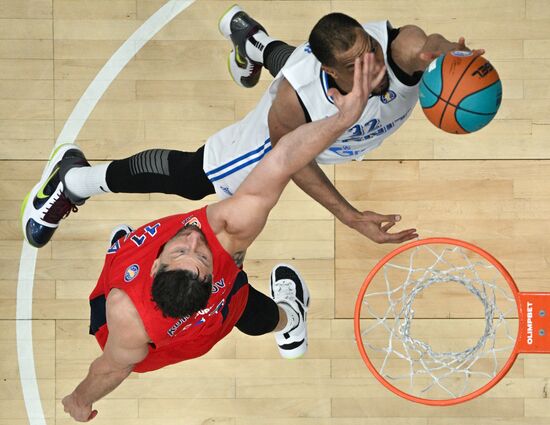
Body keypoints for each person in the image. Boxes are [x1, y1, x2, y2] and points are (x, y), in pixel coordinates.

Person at [58, 53, 384, 422]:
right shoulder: (229, 234)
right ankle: (292, 322)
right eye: (196, 253)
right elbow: (280, 161)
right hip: (208, 315)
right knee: (245, 308)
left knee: (125, 311)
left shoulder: (125, 310)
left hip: (158, 323)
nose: (194, 239)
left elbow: (112, 368)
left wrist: (79, 401)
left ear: (155, 264)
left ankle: (126, 251)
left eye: (183, 249)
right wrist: (343, 118)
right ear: (214, 275)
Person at [25, 7, 477, 249]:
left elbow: (429, 46)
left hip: (321, 100)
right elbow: (292, 163)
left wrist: (452, 60)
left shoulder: (400, 49)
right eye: (354, 65)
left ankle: (253, 41)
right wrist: (352, 216)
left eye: (370, 52)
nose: (372, 67)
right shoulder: (292, 103)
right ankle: (74, 179)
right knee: (191, 178)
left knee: (302, 64)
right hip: (273, 141)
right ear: (328, 71)